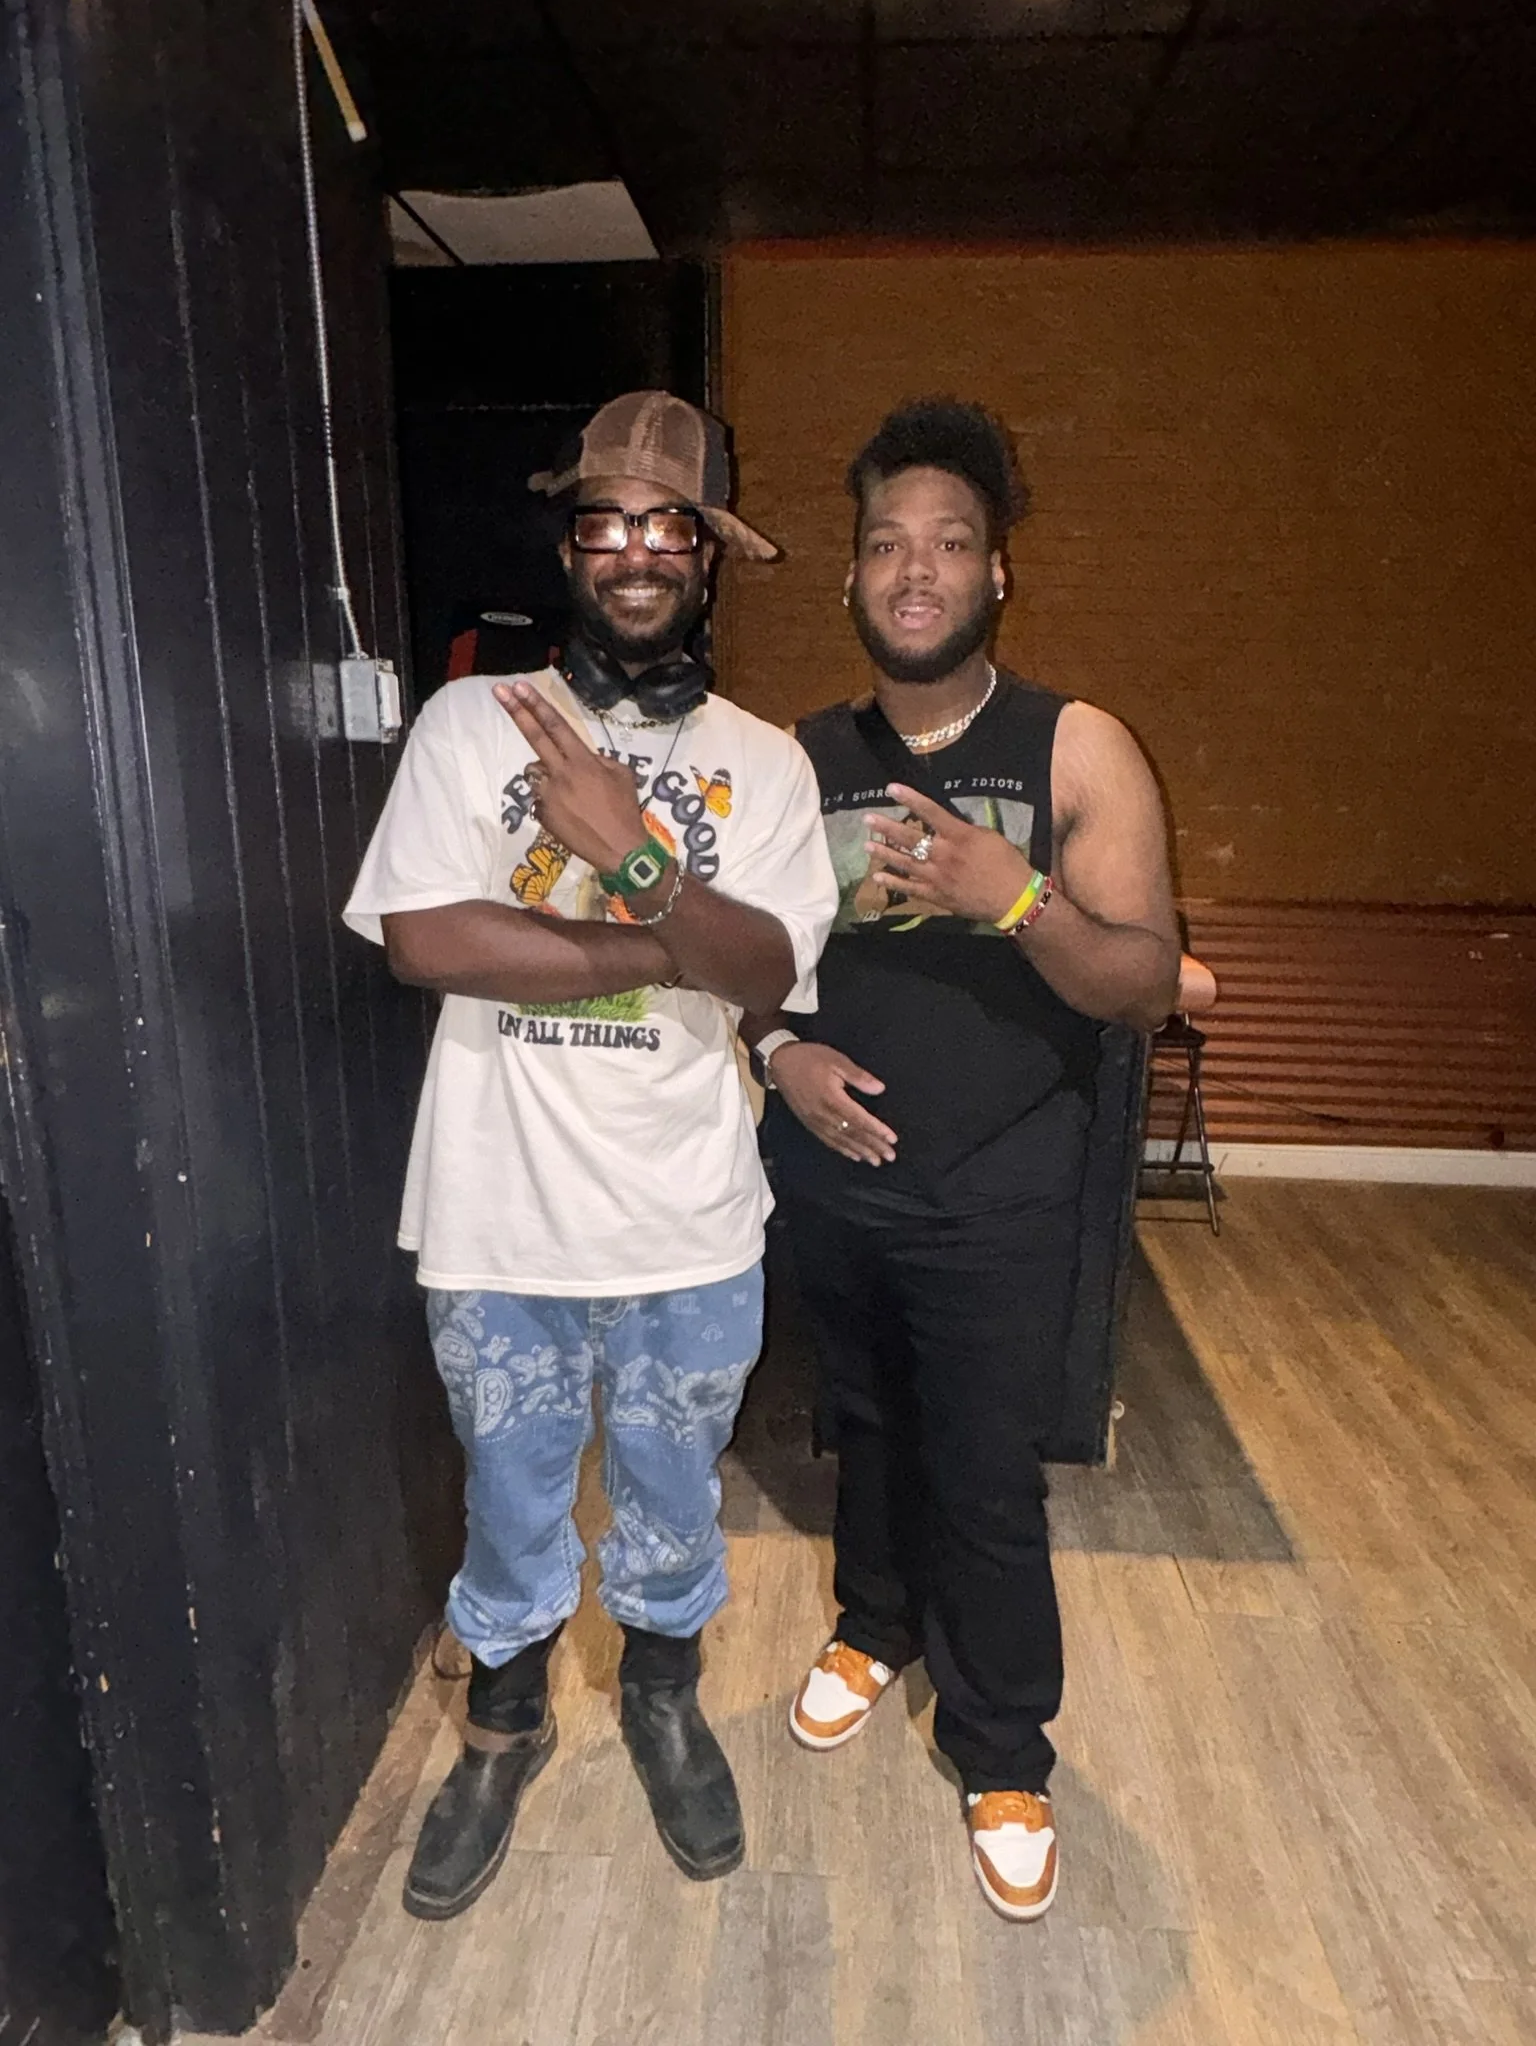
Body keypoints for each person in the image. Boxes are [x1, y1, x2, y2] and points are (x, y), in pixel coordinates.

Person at [345, 390, 837, 1919]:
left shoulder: (766, 762)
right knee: (509, 1501)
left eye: (666, 527)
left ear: (710, 554)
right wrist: (656, 933)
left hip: (689, 1222)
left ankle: (663, 1700)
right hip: (500, 1218)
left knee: (676, 1499)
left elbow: (760, 973)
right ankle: (500, 1729)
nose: (633, 554)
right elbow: (429, 940)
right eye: (604, 524)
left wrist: (627, 846)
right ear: (573, 547)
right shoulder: (462, 724)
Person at [742, 399, 1179, 1923]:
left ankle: (1003, 1747)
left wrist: (1012, 898)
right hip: (840, 1168)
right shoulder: (794, 758)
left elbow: (1138, 979)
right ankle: (876, 1624)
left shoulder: (1077, 745)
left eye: (947, 544)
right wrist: (777, 1056)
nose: (912, 571)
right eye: (884, 545)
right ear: (852, 579)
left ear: (998, 572)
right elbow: (754, 965)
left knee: (986, 1466)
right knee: (862, 1421)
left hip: (1003, 1182)